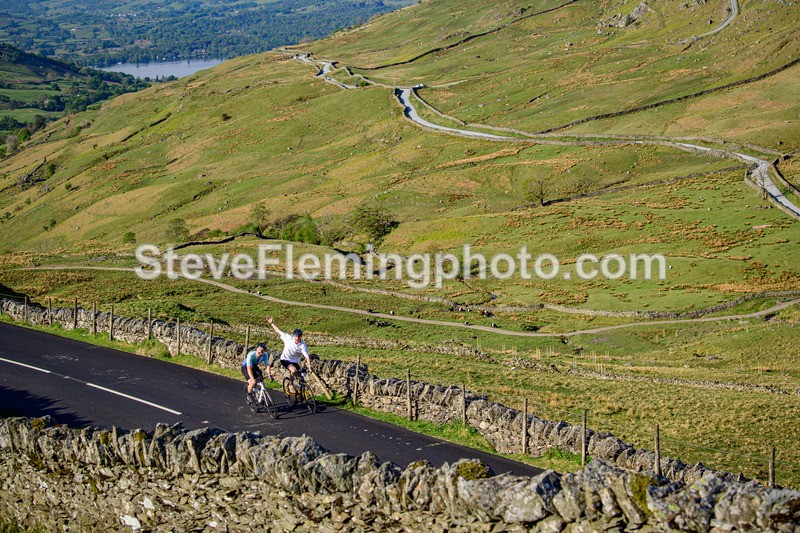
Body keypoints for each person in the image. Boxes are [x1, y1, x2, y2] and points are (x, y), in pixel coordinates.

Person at [266, 316, 313, 381]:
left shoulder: (303, 345)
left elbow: (307, 356)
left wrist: (309, 366)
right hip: (285, 359)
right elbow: (279, 331)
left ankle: (293, 384)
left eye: (299, 336)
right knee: (293, 370)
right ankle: (292, 385)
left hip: (295, 362)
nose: (297, 338)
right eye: (296, 336)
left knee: (301, 376)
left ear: (301, 336)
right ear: (293, 335)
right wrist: (272, 323)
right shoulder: (288, 338)